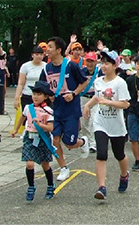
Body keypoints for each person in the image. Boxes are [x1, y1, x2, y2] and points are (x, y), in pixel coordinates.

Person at [38, 36, 91, 181]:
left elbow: (84, 82)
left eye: (50, 47)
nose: (47, 50)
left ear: (59, 50)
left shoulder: (70, 66)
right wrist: (49, 96)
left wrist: (73, 94)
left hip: (71, 110)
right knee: (55, 140)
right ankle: (63, 167)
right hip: (57, 110)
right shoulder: (46, 68)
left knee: (69, 143)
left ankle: (82, 142)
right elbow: (43, 87)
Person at [83, 50, 131, 201]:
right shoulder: (98, 81)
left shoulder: (120, 83)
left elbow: (125, 104)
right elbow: (97, 97)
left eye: (107, 63)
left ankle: (124, 175)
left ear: (115, 65)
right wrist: (87, 106)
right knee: (101, 154)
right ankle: (101, 187)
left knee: (119, 154)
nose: (103, 66)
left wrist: (109, 102)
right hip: (100, 122)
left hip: (116, 125)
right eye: (102, 63)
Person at [9, 81, 57, 202]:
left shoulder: (48, 111)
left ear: (45, 96)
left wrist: (41, 125)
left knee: (45, 164)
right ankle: (31, 186)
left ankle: (50, 185)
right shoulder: (28, 108)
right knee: (29, 163)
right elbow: (22, 117)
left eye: (39, 94)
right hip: (29, 137)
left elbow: (50, 128)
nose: (35, 96)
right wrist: (16, 129)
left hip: (43, 139)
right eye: (34, 93)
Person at [79, 52, 101, 154]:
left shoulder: (99, 72)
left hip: (95, 98)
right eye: (88, 61)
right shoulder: (81, 71)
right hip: (83, 97)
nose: (90, 64)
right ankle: (86, 141)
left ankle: (93, 143)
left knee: (93, 121)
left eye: (92, 61)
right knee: (84, 121)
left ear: (96, 62)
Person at [14, 46, 47, 112]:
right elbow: (21, 83)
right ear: (32, 55)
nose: (39, 56)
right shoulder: (25, 66)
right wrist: (17, 98)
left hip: (41, 97)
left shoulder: (46, 66)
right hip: (27, 95)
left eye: (41, 54)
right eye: (37, 54)